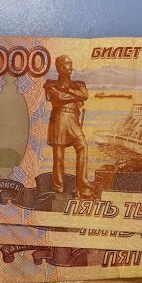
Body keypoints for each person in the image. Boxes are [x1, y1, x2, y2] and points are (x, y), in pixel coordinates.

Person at [44, 55, 93, 198]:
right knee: (58, 156)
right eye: (67, 64)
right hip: (59, 118)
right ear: (59, 67)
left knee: (82, 145)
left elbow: (85, 95)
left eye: (71, 63)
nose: (70, 66)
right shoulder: (51, 84)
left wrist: (68, 90)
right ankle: (59, 188)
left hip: (73, 120)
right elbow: (59, 98)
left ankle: (82, 184)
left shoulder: (78, 84)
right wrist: (75, 96)